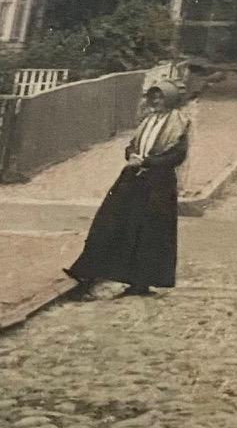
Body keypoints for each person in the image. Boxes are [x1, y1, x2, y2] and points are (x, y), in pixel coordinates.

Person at [64, 79, 191, 297]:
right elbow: (133, 144)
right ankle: (89, 271)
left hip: (159, 184)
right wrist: (131, 154)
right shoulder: (147, 121)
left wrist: (147, 163)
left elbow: (177, 155)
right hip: (134, 178)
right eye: (154, 97)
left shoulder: (179, 123)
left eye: (161, 97)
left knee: (150, 233)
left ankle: (141, 282)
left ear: (170, 99)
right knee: (110, 221)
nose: (157, 101)